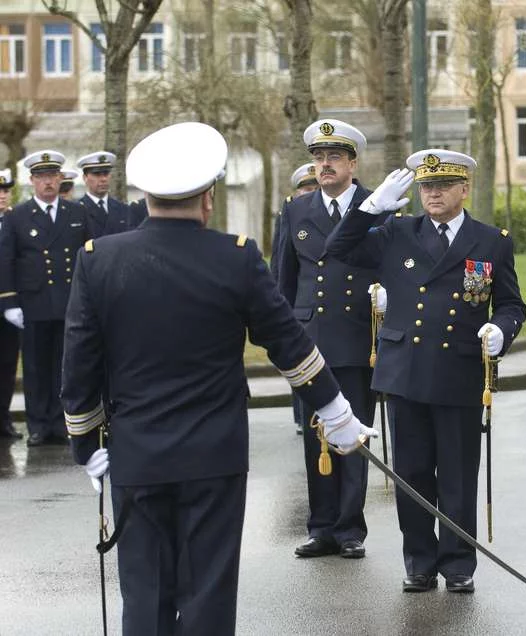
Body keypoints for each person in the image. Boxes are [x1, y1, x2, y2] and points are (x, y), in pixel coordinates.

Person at [60, 121, 375, 635]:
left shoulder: (99, 261)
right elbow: (288, 344)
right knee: (208, 588)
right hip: (215, 453)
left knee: (144, 591)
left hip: (136, 453)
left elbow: (78, 364)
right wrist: (336, 411)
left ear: (144, 195)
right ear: (208, 197)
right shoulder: (235, 256)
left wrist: (83, 442)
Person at [327, 149, 526, 594]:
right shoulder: (397, 231)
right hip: (405, 371)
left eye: (442, 186)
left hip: (458, 370)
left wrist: (502, 329)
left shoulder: (491, 240)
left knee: (457, 474)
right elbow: (337, 249)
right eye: (425, 187)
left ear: (463, 189)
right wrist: (371, 207)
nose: (432, 194)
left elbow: (512, 302)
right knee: (412, 474)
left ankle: (458, 563)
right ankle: (419, 560)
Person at [277, 120, 380, 560]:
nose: (324, 165)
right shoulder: (296, 210)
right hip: (311, 340)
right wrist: (284, 336)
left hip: (358, 337)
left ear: (352, 163)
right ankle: (321, 526)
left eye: (334, 157)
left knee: (352, 435)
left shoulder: (377, 205)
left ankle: (350, 528)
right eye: (318, 158)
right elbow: (283, 278)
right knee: (315, 435)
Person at [0, 150, 91, 446]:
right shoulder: (18, 217)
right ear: (32, 181)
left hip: (67, 301)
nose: (48, 182)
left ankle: (61, 423)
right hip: (33, 302)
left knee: (64, 366)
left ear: (60, 179)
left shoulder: (76, 213)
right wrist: (10, 301)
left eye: (52, 176)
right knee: (36, 367)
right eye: (41, 177)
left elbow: (87, 258)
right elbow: (7, 261)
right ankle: (38, 425)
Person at [271, 162, 321, 436]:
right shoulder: (290, 211)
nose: (309, 192)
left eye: (314, 187)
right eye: (306, 188)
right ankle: (302, 416)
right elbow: (281, 258)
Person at [76, 151, 145, 237]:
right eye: (97, 174)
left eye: (106, 174)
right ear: (85, 178)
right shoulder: (76, 210)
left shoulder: (123, 209)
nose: (103, 179)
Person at [0, 170, 21, 439]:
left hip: (9, 306)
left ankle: (3, 420)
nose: (2, 195)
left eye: (5, 191)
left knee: (6, 364)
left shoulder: (16, 221)